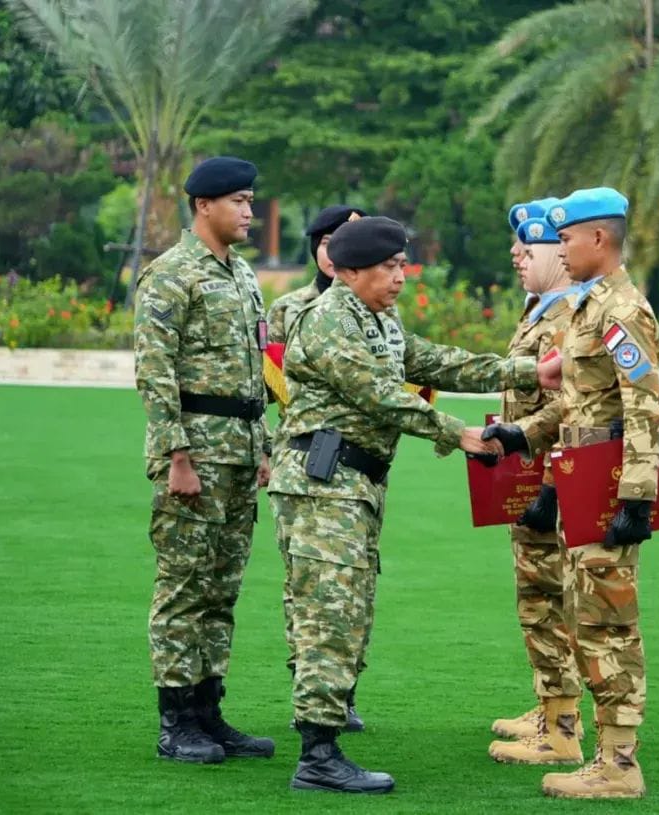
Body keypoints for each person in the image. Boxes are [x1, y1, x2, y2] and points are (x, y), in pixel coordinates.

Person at [268, 216, 561, 794]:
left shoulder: (378, 318)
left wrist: (530, 371)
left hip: (353, 484)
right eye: (389, 267)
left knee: (350, 611)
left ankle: (324, 740)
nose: (401, 277)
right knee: (329, 615)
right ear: (351, 271)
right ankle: (317, 757)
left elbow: (436, 361)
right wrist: (458, 433)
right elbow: (378, 395)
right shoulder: (327, 320)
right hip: (322, 485)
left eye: (403, 265)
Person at [483, 188, 659, 799]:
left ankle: (619, 765)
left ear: (598, 239)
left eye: (566, 239)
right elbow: (574, 406)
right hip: (580, 477)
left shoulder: (624, 310)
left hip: (608, 484)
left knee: (609, 624)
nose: (559, 250)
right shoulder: (591, 306)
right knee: (586, 618)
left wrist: (636, 499)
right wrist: (527, 440)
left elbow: (643, 408)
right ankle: (599, 751)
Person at [134, 156, 275, 765]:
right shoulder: (171, 274)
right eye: (239, 201)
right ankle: (175, 723)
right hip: (195, 455)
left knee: (221, 591)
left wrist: (262, 446)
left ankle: (208, 712)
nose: (249, 211)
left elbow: (255, 371)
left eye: (250, 200)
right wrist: (177, 456)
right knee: (183, 588)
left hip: (238, 453)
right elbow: (154, 371)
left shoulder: (241, 274)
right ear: (203, 206)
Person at [266, 204, 369, 732]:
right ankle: (310, 689)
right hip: (306, 458)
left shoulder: (377, 309)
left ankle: (343, 691)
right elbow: (267, 387)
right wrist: (268, 452)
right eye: (328, 241)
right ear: (315, 248)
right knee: (306, 584)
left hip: (360, 464)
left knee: (358, 580)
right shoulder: (290, 309)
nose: (336, 251)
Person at [488, 211, 586, 767]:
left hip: (553, 481)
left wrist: (544, 479)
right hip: (530, 478)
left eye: (531, 246)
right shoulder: (541, 311)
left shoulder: (565, 316)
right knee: (538, 600)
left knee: (548, 602)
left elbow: (568, 406)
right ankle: (553, 707)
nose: (517, 255)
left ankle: (561, 726)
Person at [267, 204, 367, 344]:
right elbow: (273, 357)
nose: (335, 254)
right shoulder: (286, 308)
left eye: (347, 245)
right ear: (315, 249)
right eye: (327, 244)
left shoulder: (375, 305)